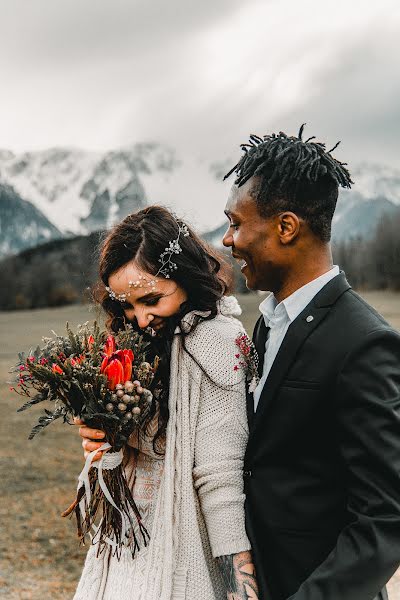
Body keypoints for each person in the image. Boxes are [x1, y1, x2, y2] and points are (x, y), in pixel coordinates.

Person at [222, 126, 400, 600]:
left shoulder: (364, 343)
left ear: (285, 227)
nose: (227, 240)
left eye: (236, 224)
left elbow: (385, 518)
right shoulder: (264, 325)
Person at [73, 205, 259, 600]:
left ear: (186, 278)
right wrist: (101, 439)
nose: (140, 318)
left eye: (152, 300)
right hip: (126, 542)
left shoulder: (215, 342)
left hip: (183, 548)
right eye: (126, 305)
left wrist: (239, 590)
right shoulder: (137, 343)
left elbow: (220, 477)